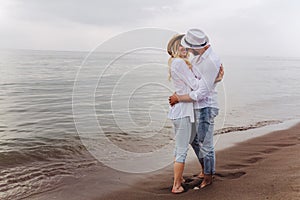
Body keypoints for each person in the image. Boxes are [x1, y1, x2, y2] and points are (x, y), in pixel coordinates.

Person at [167, 33, 223, 193]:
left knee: (192, 143)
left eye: (187, 46)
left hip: (187, 109)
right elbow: (195, 85)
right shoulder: (180, 63)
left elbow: (195, 86)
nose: (186, 49)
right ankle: (178, 184)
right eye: (182, 46)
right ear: (176, 48)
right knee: (184, 147)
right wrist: (213, 80)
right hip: (184, 110)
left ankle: (204, 174)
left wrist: (212, 80)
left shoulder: (188, 62)